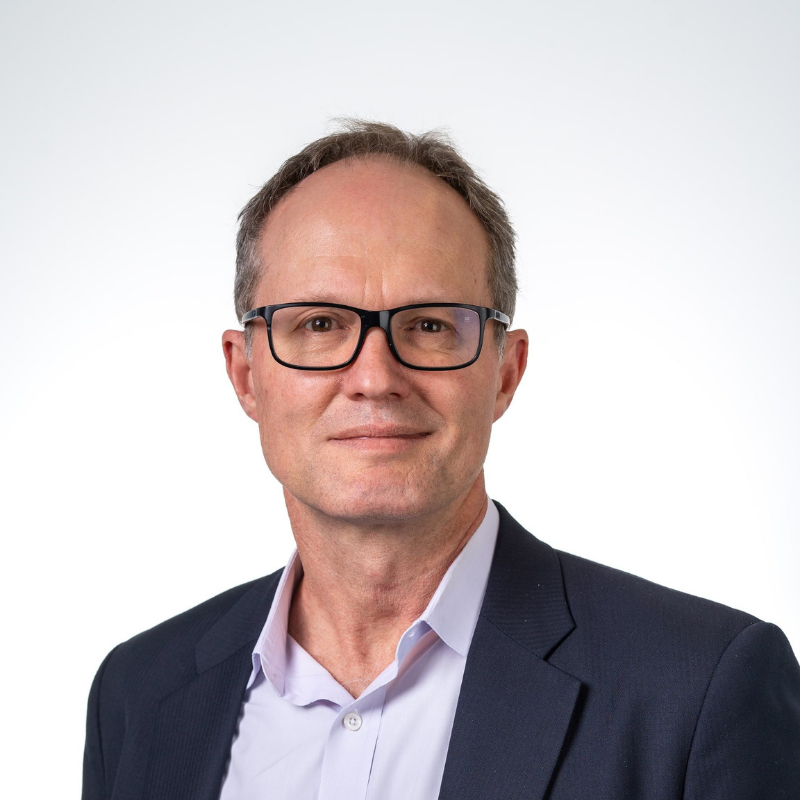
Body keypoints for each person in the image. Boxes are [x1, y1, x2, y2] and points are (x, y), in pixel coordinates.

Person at [82, 121, 800, 800]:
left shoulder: (701, 689)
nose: (374, 377)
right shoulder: (140, 694)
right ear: (245, 375)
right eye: (319, 324)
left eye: (428, 325)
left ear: (505, 374)